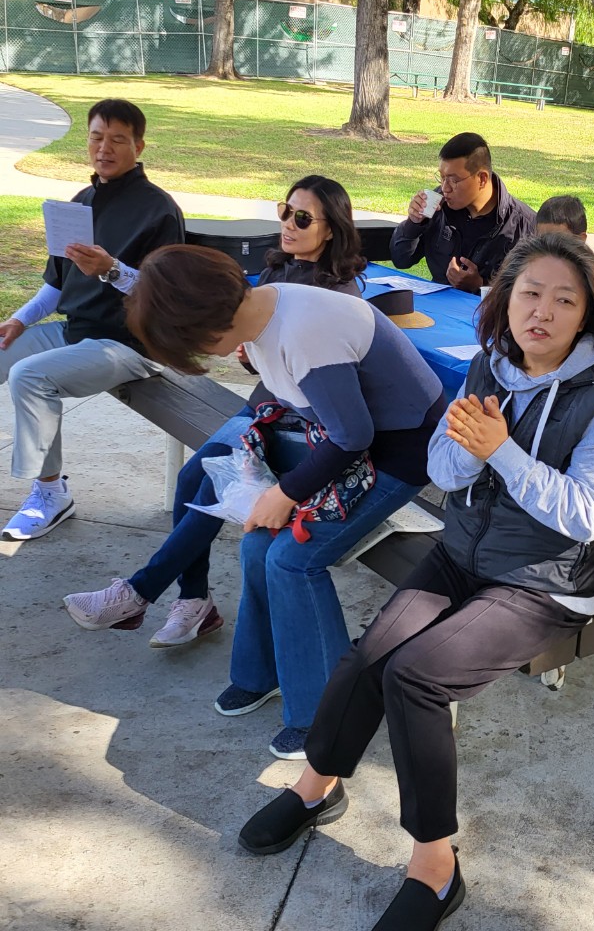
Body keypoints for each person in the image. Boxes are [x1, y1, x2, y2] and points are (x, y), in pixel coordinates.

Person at [236, 232, 594, 930]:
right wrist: (470, 451)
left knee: (416, 677)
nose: (542, 312)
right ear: (505, 300)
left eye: (564, 300)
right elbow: (444, 470)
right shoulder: (490, 366)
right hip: (461, 555)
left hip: (543, 583)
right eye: (530, 294)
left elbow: (586, 516)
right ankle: (316, 787)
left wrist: (502, 451)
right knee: (367, 657)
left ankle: (435, 866)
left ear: (587, 315)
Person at [69, 245, 444, 759]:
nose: (210, 358)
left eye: (196, 346)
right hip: (341, 442)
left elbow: (353, 435)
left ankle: (329, 711)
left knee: (292, 560)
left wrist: (284, 493)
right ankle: (261, 673)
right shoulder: (261, 310)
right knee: (256, 544)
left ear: (208, 322)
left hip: (399, 451)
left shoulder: (305, 331)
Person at [63, 175, 367, 651]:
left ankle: (140, 591)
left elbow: (326, 387)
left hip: (299, 420)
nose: (288, 224)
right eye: (284, 211)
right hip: (265, 405)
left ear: (331, 229)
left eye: (303, 218)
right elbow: (257, 346)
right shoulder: (278, 270)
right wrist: (251, 354)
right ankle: (194, 601)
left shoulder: (338, 292)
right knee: (192, 478)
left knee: (211, 480)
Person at [0, 99, 184, 541]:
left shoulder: (159, 210)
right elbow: (57, 284)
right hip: (75, 331)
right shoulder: (79, 203)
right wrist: (19, 321)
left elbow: (167, 297)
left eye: (118, 139)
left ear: (139, 146)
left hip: (130, 344)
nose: (105, 148)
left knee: (30, 376)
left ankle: (50, 493)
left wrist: (112, 269)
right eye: (96, 137)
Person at [389, 131, 535, 292]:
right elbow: (401, 260)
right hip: (437, 303)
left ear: (482, 179)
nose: (445, 188)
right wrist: (414, 223)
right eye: (442, 178)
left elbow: (529, 293)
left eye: (454, 180)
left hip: (487, 308)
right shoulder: (438, 204)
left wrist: (480, 285)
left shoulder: (524, 226)